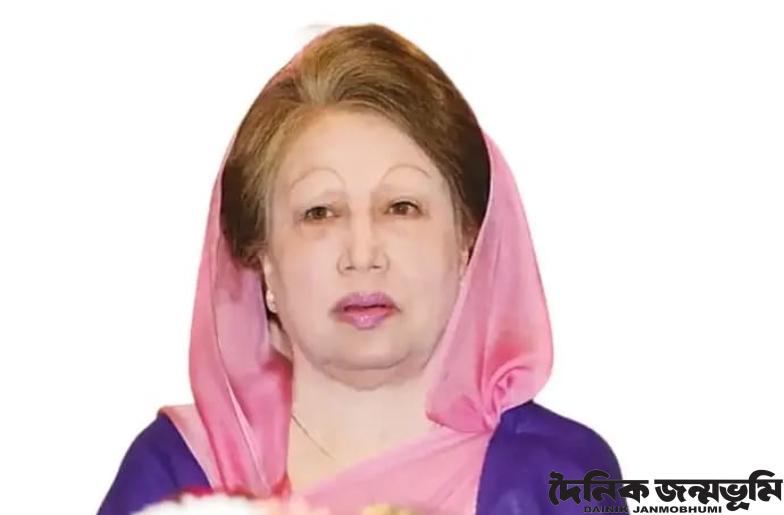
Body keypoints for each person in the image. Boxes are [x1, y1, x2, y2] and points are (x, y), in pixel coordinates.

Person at [98, 23, 626, 515]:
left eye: (401, 207)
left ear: (469, 242)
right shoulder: (174, 473)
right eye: (320, 213)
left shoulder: (559, 476)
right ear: (263, 262)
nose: (363, 253)